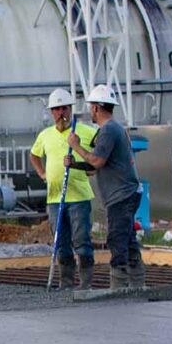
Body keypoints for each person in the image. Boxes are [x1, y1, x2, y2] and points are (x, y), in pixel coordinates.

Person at [73, 83, 145, 294]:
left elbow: (96, 162)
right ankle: (137, 285)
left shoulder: (108, 130)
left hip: (121, 195)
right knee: (128, 238)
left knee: (117, 239)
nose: (90, 111)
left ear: (96, 107)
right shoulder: (114, 129)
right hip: (126, 193)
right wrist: (75, 164)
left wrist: (77, 146)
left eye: (91, 107)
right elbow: (96, 166)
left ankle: (119, 287)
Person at [28, 88, 92, 289]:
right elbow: (34, 155)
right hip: (55, 199)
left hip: (79, 197)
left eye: (64, 108)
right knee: (62, 244)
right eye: (56, 109)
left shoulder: (85, 131)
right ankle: (66, 283)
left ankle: (86, 284)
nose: (60, 113)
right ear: (51, 112)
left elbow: (100, 155)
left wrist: (90, 167)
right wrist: (43, 174)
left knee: (81, 241)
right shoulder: (45, 135)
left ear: (70, 109)